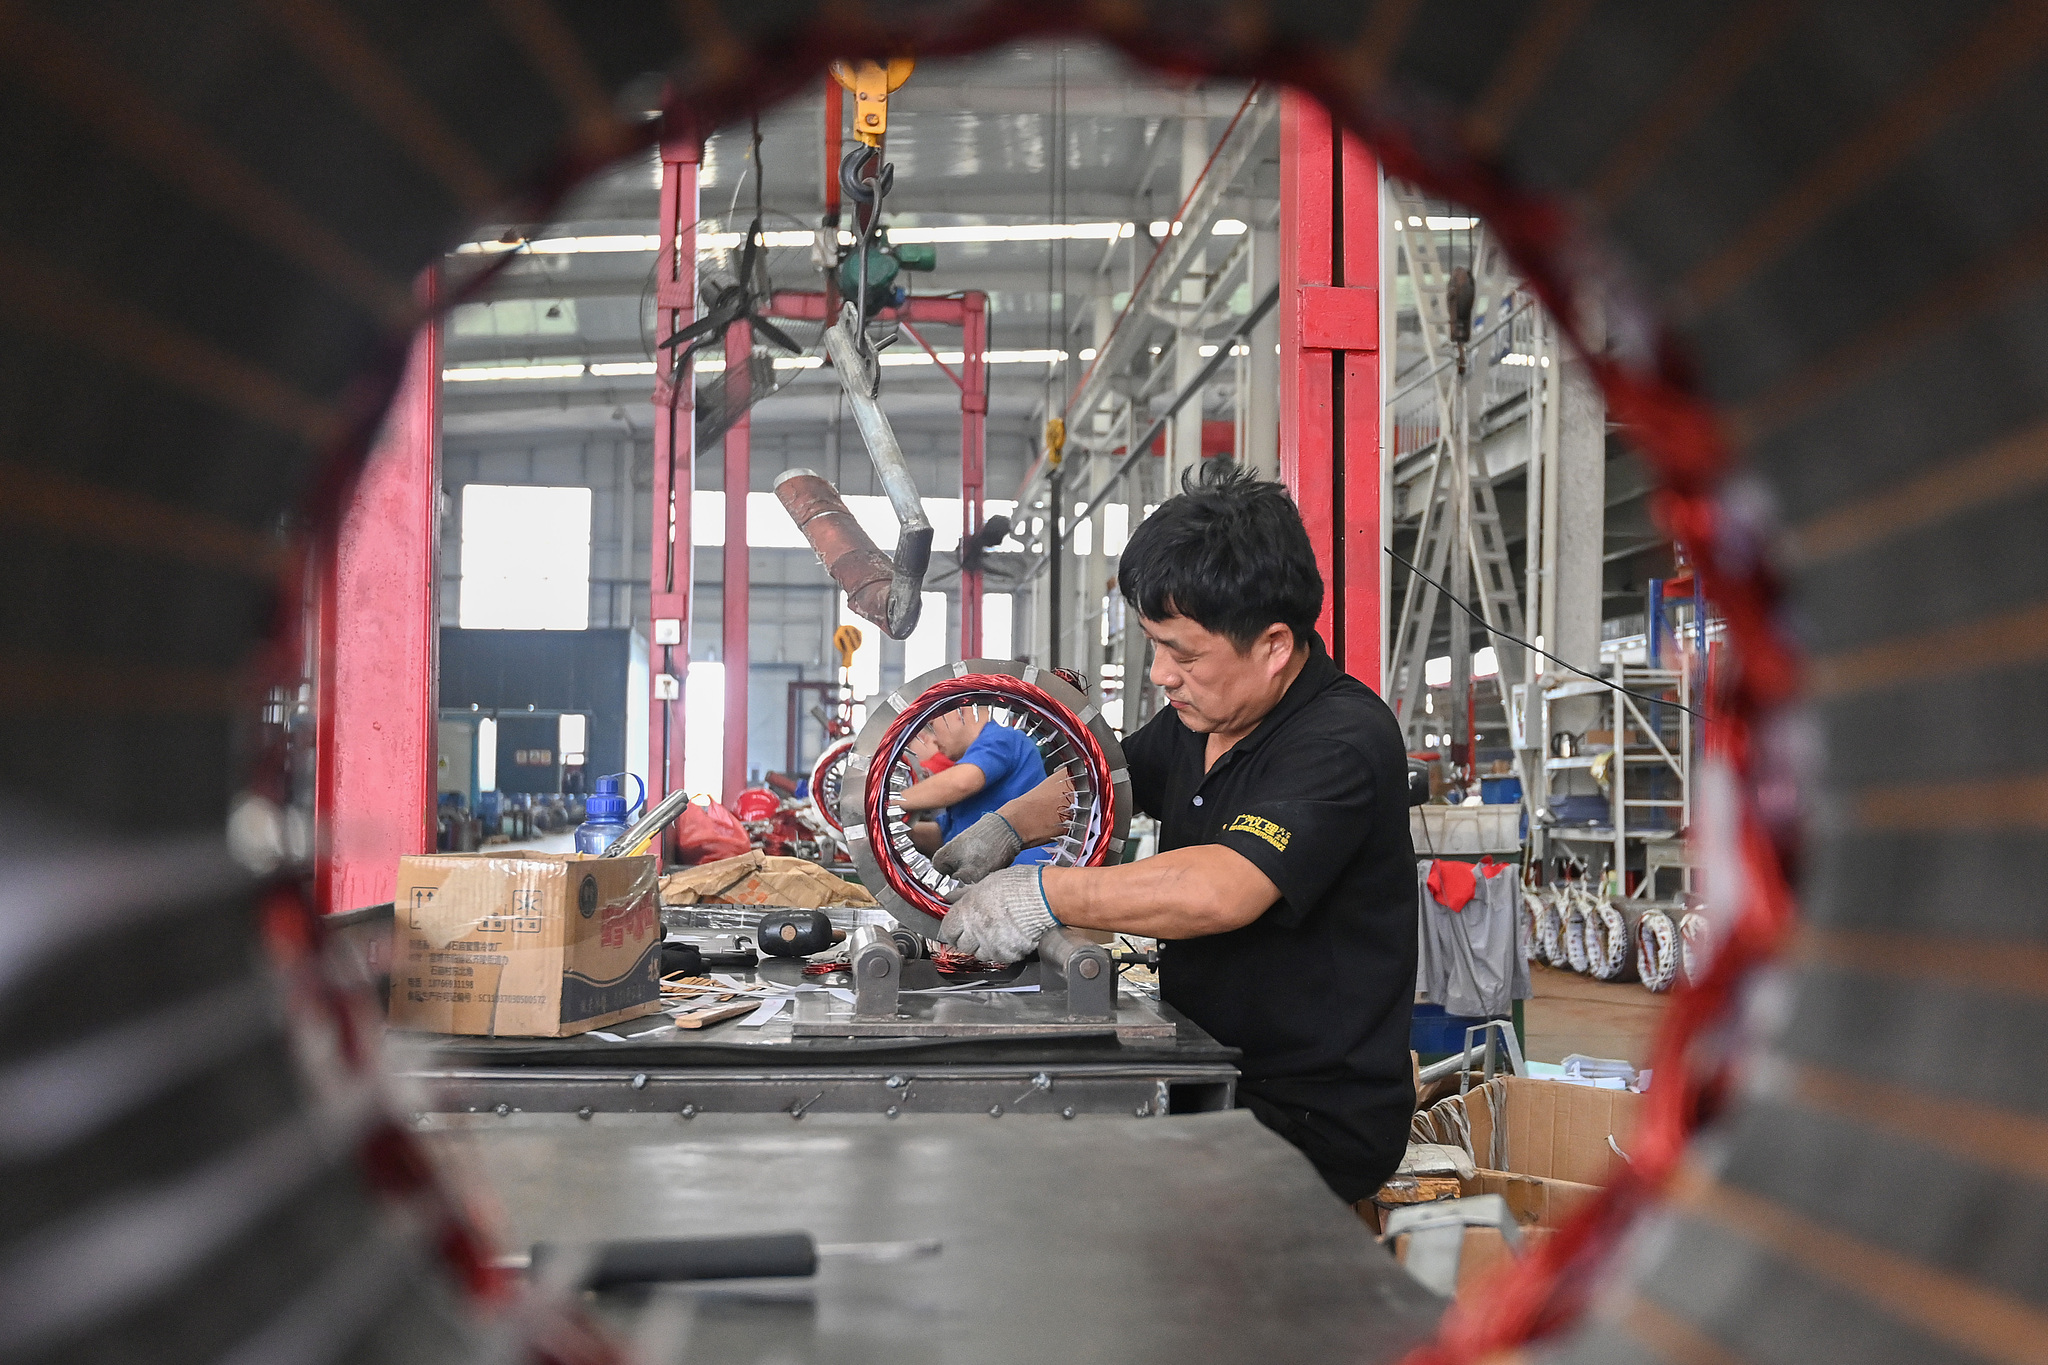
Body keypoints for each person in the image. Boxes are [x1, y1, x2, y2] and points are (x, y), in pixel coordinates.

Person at [932, 463, 1418, 1206]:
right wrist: (1004, 828)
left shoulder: (1341, 739)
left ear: (1274, 645)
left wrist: (1037, 894)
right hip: (1209, 1063)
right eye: (1154, 645)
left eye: (1183, 653)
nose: (1161, 673)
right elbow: (1106, 777)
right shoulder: (1203, 720)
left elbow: (1221, 887)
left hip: (1309, 1118)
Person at [896, 705, 1059, 867]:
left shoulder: (1003, 738)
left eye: (933, 725)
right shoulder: (973, 762)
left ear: (959, 712)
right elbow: (948, 836)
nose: (934, 739)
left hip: (1025, 874)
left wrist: (890, 802)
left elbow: (960, 783)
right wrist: (899, 832)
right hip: (995, 878)